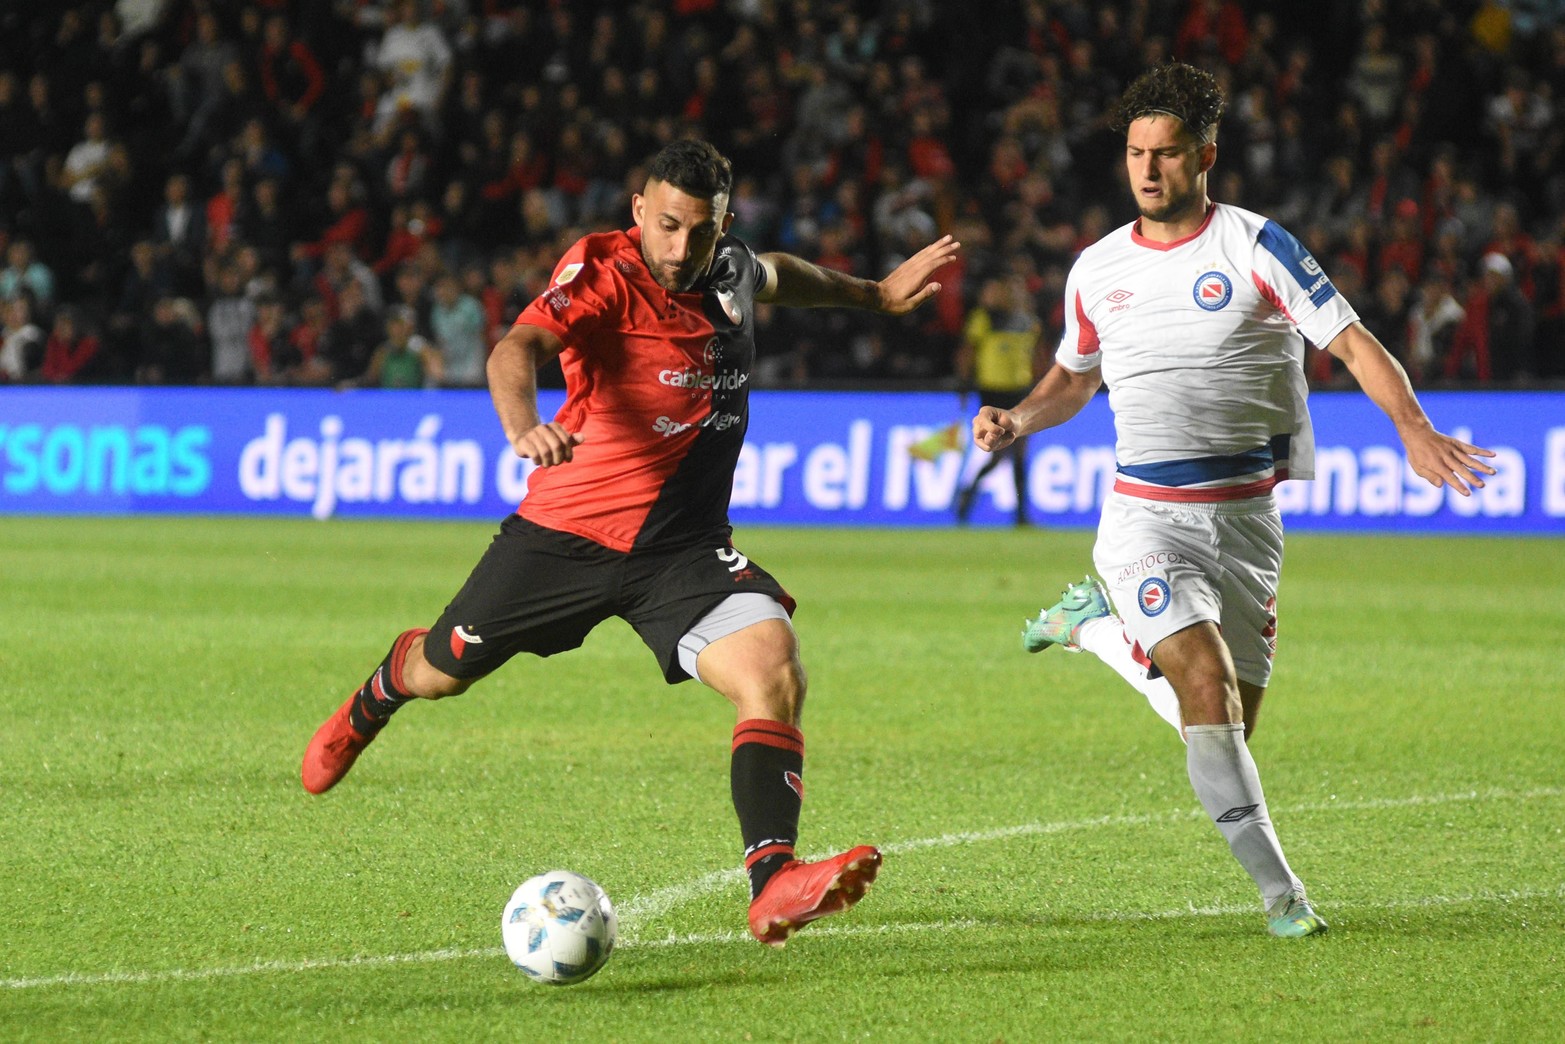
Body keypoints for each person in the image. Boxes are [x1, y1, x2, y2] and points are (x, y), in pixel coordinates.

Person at [301, 139, 959, 946]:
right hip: (565, 537)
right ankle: (375, 698)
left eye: (703, 233)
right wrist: (522, 427)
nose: (682, 250)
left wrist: (873, 294)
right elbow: (517, 349)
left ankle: (773, 878)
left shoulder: (729, 268)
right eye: (669, 227)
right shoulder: (603, 274)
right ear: (640, 213)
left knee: (772, 669)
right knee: (439, 672)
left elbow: (782, 275)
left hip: (681, 551)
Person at [971, 63, 1495, 939]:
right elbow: (1072, 375)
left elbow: (1354, 343)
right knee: (1204, 687)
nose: (1148, 170)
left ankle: (1090, 628)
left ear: (1204, 155)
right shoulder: (1096, 268)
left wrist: (1411, 425)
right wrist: (1019, 420)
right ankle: (1283, 899)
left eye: (1167, 153)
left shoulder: (1256, 246)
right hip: (1144, 515)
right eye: (1136, 153)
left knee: (1220, 725)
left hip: (1248, 523)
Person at [953, 274, 1044, 525]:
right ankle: (1011, 510)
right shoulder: (984, 318)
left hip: (1020, 391)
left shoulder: (1029, 322)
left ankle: (1017, 512)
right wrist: (963, 386)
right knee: (1003, 454)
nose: (1015, 295)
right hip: (993, 392)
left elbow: (1037, 356)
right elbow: (967, 353)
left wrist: (1039, 387)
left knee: (1017, 453)